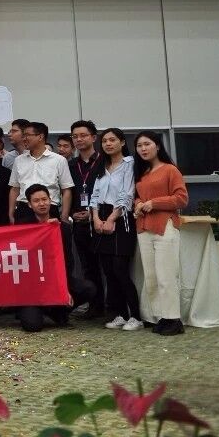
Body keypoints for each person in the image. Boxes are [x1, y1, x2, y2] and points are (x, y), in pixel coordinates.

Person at [132, 131, 189, 337]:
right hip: (144, 228)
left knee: (166, 276)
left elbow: (181, 199)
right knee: (152, 277)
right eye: (139, 146)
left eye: (147, 144)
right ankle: (161, 316)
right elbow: (137, 197)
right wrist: (138, 204)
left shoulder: (170, 170)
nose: (143, 149)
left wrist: (154, 203)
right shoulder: (142, 172)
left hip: (165, 227)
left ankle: (173, 319)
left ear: (157, 146)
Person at [90, 128, 141, 332]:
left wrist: (112, 218)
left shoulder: (129, 164)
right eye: (105, 141)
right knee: (108, 271)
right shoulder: (101, 165)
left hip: (121, 217)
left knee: (120, 269)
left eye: (112, 140)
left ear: (122, 142)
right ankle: (120, 314)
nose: (108, 144)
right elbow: (94, 194)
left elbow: (127, 194)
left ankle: (135, 316)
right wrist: (95, 218)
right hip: (100, 215)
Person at [15, 185, 72, 333]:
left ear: (50, 200)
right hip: (32, 285)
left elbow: (68, 261)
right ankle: (35, 311)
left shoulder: (62, 227)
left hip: (55, 280)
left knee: (87, 288)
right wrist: (43, 232)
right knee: (32, 326)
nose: (41, 203)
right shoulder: (22, 226)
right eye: (36, 201)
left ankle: (56, 311)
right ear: (29, 204)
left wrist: (65, 288)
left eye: (44, 199)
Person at [67, 120, 106, 320]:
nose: (79, 139)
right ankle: (95, 305)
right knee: (87, 266)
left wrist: (94, 213)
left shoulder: (104, 162)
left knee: (107, 265)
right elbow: (67, 192)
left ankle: (113, 306)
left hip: (101, 221)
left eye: (83, 135)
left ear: (93, 137)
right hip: (79, 222)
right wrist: (72, 213)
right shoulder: (70, 165)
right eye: (75, 136)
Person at [7, 122, 74, 224]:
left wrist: (64, 216)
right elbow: (14, 188)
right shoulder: (19, 160)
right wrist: (11, 214)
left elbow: (66, 190)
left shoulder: (59, 160)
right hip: (24, 209)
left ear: (40, 136)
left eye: (27, 135)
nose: (24, 138)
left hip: (49, 208)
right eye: (23, 135)